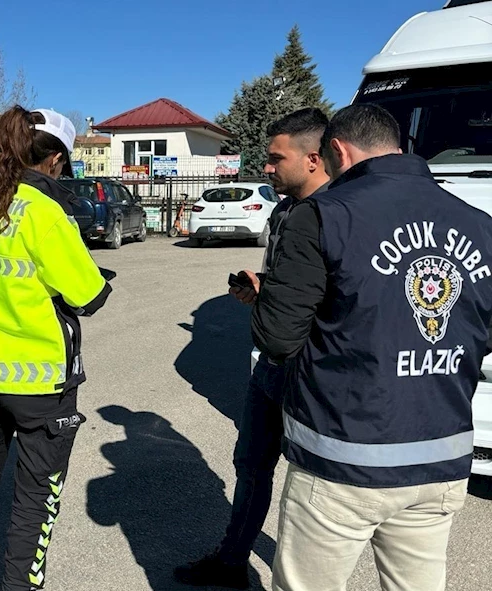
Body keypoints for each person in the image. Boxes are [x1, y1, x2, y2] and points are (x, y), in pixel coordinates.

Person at [252, 104, 492, 591]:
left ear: (336, 150)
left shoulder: (322, 215)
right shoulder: (480, 223)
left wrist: (268, 299)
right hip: (439, 456)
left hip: (343, 455)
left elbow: (278, 336)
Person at [0, 106, 112, 591]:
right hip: (41, 383)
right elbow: (89, 296)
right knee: (37, 493)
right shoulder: (44, 213)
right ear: (55, 159)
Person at [174, 108, 330, 589]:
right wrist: (261, 288)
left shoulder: (340, 215)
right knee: (251, 464)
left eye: (275, 158)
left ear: (313, 159)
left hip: (311, 372)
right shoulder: (285, 210)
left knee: (311, 485)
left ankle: (302, 575)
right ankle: (231, 561)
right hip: (269, 364)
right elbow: (295, 286)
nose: (266, 167)